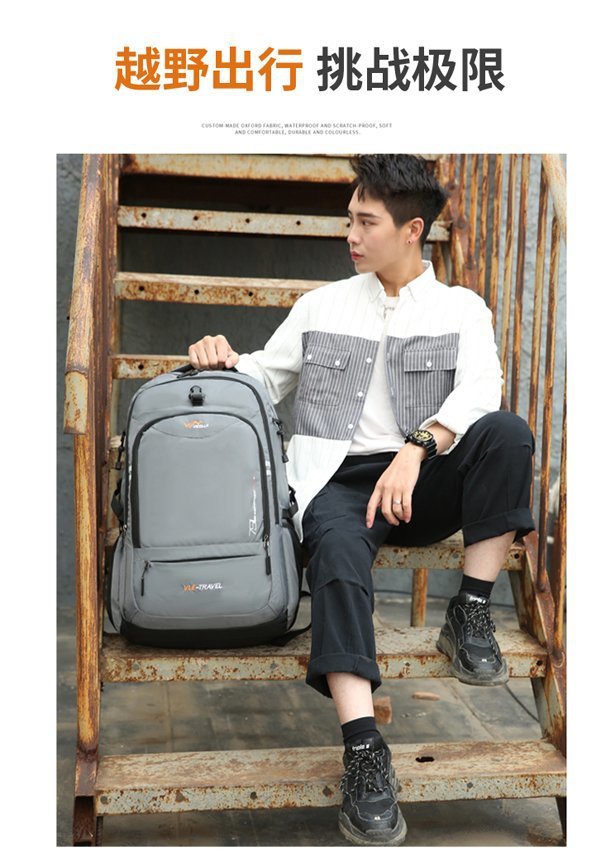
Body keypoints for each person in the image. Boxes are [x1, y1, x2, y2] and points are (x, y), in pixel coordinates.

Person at [188, 154, 536, 847]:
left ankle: (470, 610)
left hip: (422, 478)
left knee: (507, 433)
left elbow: (481, 390)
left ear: (412, 230)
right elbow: (262, 376)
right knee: (339, 553)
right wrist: (218, 356)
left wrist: (416, 448)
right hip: (339, 482)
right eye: (349, 218)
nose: (350, 234)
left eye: (366, 222)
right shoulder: (321, 306)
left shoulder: (460, 309)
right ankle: (364, 751)